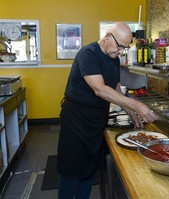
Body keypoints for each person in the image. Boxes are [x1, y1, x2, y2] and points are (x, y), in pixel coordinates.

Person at [57, 22, 157, 199]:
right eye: (120, 46)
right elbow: (100, 89)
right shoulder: (88, 54)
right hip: (77, 118)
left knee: (90, 166)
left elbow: (115, 87)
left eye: (125, 48)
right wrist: (138, 106)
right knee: (71, 168)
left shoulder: (114, 58)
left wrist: (131, 113)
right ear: (108, 36)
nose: (121, 51)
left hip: (96, 119)